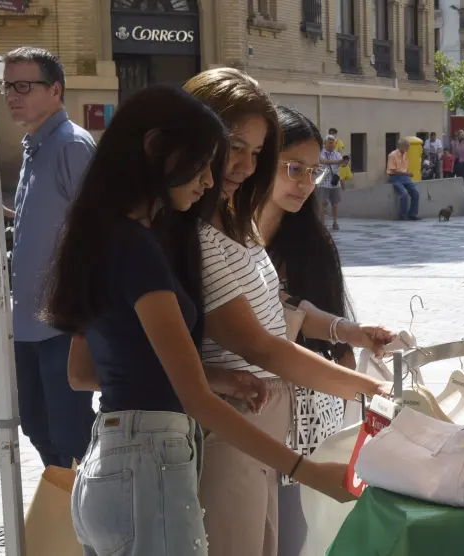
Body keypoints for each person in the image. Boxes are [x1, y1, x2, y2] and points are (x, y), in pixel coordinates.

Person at [44, 84, 344, 555]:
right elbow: (197, 399)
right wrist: (308, 471)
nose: (209, 180)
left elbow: (86, 371)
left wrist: (219, 378)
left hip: (106, 461)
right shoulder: (140, 249)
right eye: (204, 162)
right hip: (149, 467)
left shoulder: (103, 235)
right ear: (156, 148)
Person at [185, 68, 392, 556]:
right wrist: (375, 389)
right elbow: (263, 346)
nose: (243, 165)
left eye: (256, 153)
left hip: (265, 421)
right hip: (238, 424)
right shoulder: (196, 234)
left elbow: (281, 313)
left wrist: (351, 338)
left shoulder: (238, 226)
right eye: (236, 146)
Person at [257, 107, 399, 556]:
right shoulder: (223, 235)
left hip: (307, 408)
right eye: (293, 168)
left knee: (296, 534)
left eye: (313, 172)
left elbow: (324, 326)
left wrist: (354, 340)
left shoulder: (313, 243)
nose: (303, 183)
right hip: (249, 403)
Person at [3, 46, 96, 468]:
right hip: (26, 323)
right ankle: (66, 519)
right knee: (36, 427)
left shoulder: (71, 145)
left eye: (24, 85)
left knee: (69, 433)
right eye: (8, 86)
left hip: (63, 324)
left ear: (55, 89)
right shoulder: (33, 147)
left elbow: (99, 232)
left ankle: (89, 523)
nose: (12, 94)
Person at [388, 137, 421, 220]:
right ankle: (402, 214)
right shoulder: (392, 155)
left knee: (415, 192)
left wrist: (408, 174)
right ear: (401, 146)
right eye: (407, 146)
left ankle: (413, 214)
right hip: (395, 177)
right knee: (404, 193)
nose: (408, 148)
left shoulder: (405, 154)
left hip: (405, 177)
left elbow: (406, 167)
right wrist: (406, 173)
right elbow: (392, 170)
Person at [317, 135, 343, 230]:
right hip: (324, 182)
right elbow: (324, 161)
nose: (332, 145)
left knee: (335, 203)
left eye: (333, 143)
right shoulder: (321, 153)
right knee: (322, 204)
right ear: (325, 143)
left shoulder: (337, 154)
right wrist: (338, 161)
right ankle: (322, 224)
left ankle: (335, 223)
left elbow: (341, 165)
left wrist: (344, 163)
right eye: (330, 143)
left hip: (335, 182)